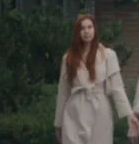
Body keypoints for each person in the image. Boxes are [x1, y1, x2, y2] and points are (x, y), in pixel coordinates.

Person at [56, 14, 131, 144]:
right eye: (82, 28)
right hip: (74, 108)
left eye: (90, 27)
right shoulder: (68, 58)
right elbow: (63, 91)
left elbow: (117, 87)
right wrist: (58, 122)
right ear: (77, 32)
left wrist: (129, 115)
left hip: (99, 107)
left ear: (95, 29)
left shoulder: (108, 55)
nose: (86, 31)